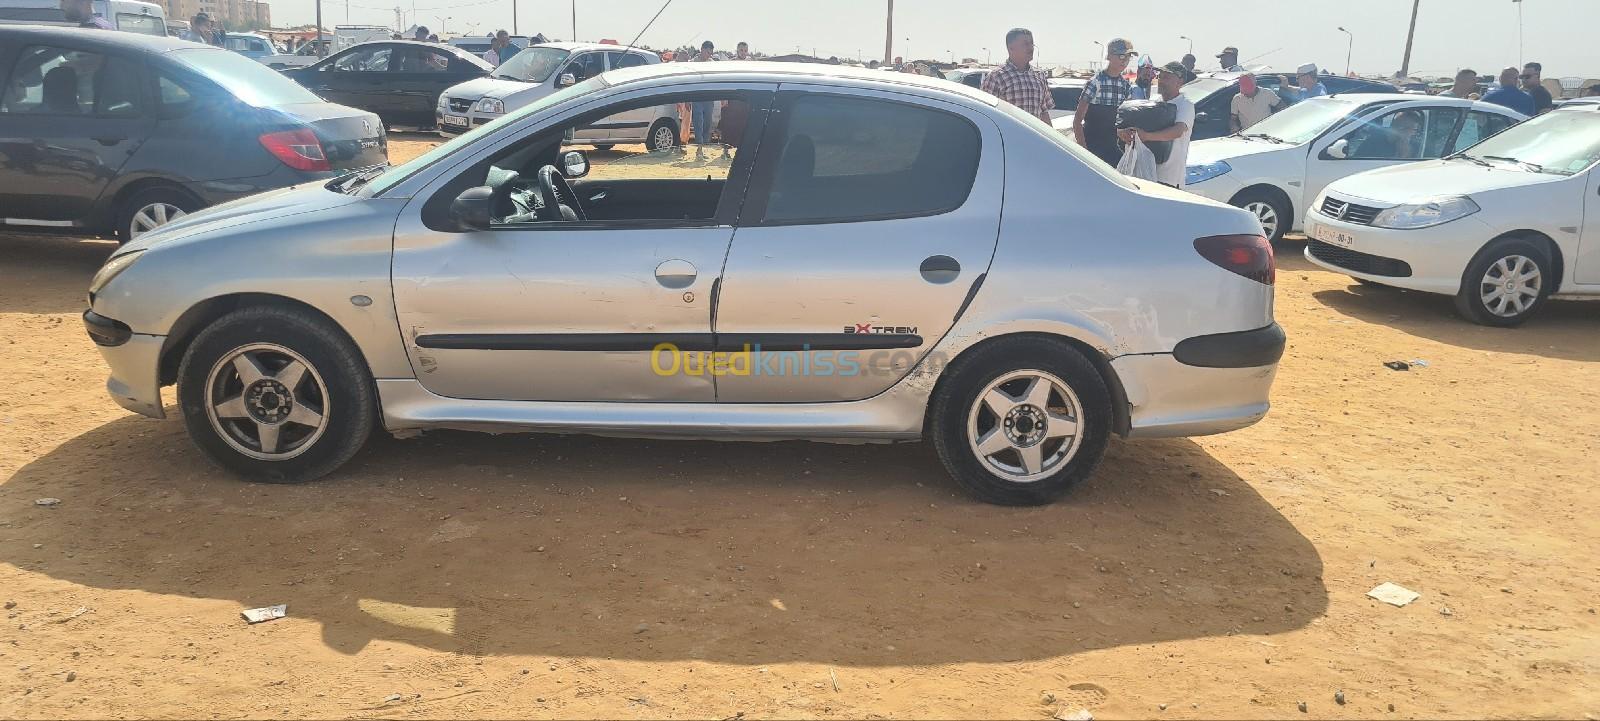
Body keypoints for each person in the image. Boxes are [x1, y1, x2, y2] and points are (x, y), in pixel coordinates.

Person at [1119, 62, 1195, 188]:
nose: (1161, 81)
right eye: (1160, 77)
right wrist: (1126, 133)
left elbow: (1178, 131)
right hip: (1148, 173)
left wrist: (1146, 136)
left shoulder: (1185, 104)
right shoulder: (1154, 102)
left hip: (1170, 179)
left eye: (1167, 78)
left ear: (1180, 82)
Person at [1075, 38, 1136, 166]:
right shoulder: (1095, 83)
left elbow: (1127, 122)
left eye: (1128, 57)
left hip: (1114, 152)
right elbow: (1077, 121)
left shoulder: (1126, 86)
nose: (1124, 61)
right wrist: (1083, 152)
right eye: (1121, 56)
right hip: (1092, 150)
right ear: (1109, 56)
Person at [980, 28, 1054, 123]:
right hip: (1008, 136)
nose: (1031, 48)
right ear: (1011, 48)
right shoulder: (996, 77)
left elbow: (1044, 112)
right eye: (1025, 44)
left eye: (1032, 43)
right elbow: (985, 113)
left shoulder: (1039, 75)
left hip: (1033, 137)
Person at [688, 41, 718, 160]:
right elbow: (689, 81)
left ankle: (704, 148)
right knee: (698, 123)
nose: (708, 55)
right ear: (702, 49)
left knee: (707, 124)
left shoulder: (712, 64)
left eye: (710, 53)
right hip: (697, 98)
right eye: (707, 52)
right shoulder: (692, 63)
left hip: (709, 98)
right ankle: (699, 150)